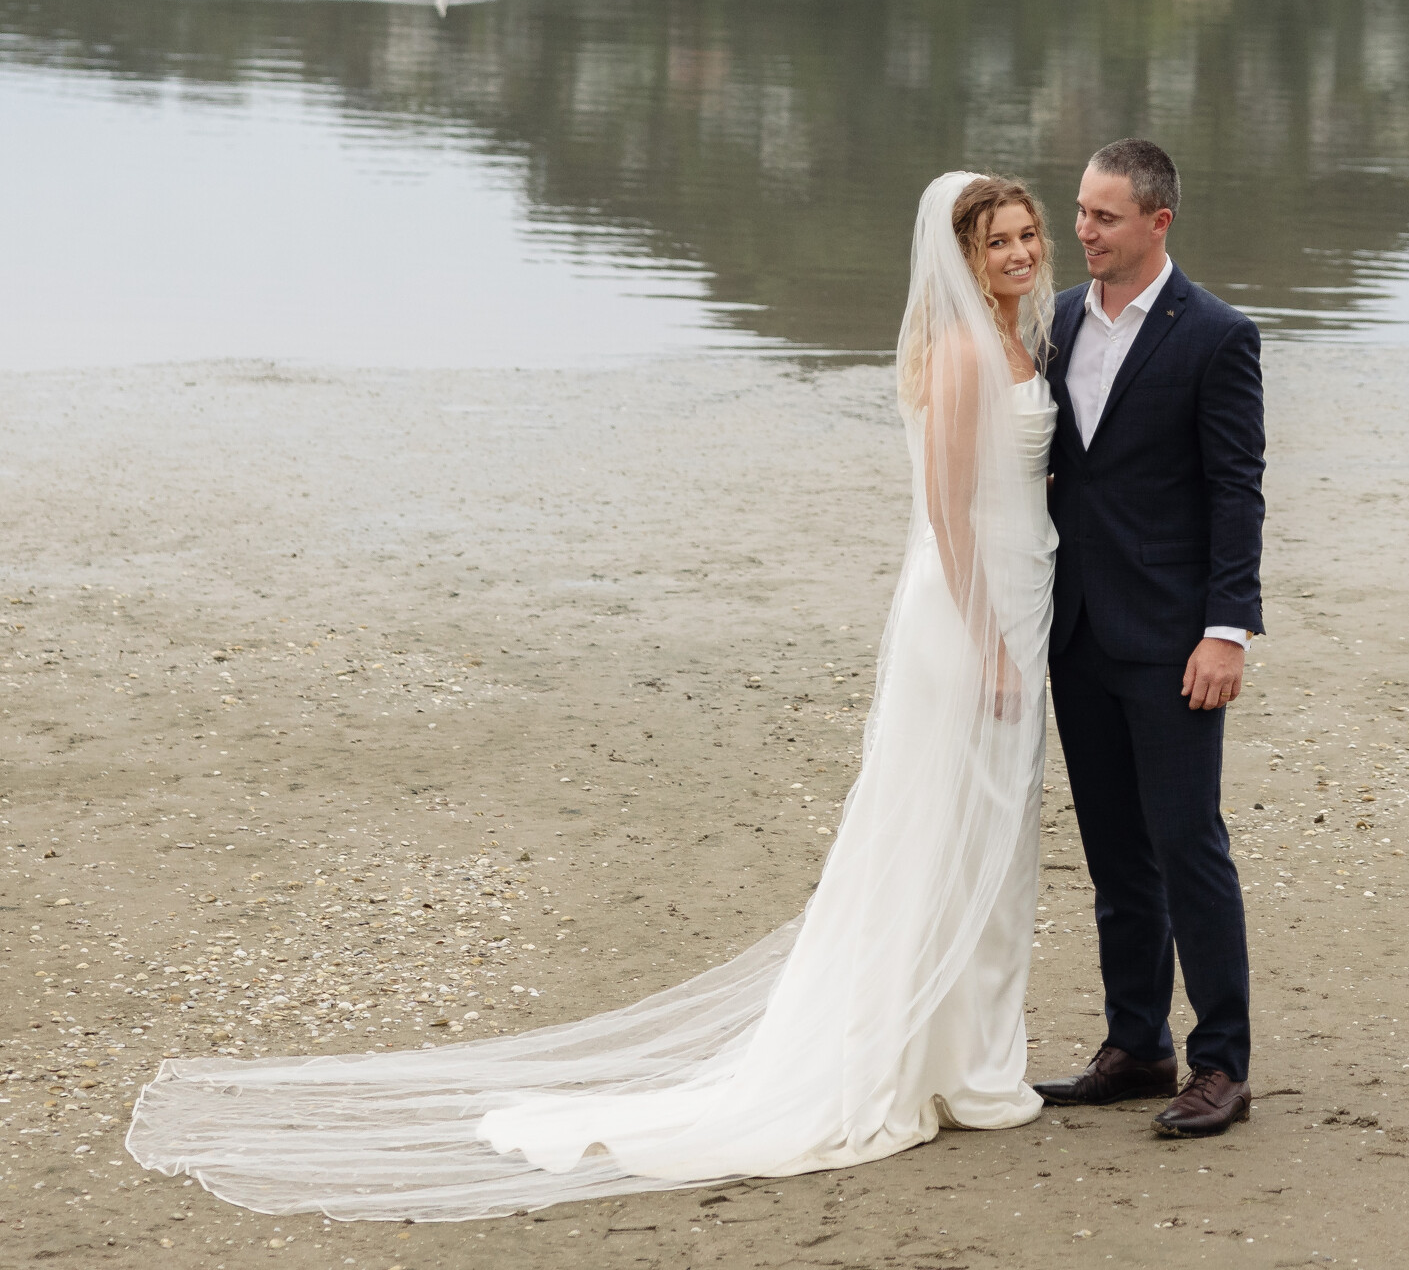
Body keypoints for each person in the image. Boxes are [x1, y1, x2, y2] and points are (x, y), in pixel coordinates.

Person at [127, 173, 1060, 1221]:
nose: (1021, 253)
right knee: (941, 833)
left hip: (1017, 600)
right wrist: (989, 646)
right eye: (999, 241)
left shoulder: (1022, 338)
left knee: (990, 834)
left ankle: (967, 1058)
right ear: (963, 255)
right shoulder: (964, 353)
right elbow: (947, 513)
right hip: (970, 620)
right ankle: (936, 1062)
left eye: (1029, 235)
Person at [1034, 137, 1266, 1138]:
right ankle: (1136, 1045)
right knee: (1114, 852)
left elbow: (1236, 490)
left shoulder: (1216, 335)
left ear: (1157, 221)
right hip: (1075, 629)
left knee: (1187, 845)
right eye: (1081, 211)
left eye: (1105, 216)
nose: (1083, 230)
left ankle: (1222, 1065)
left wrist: (1227, 631)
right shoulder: (1053, 322)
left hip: (1175, 639)